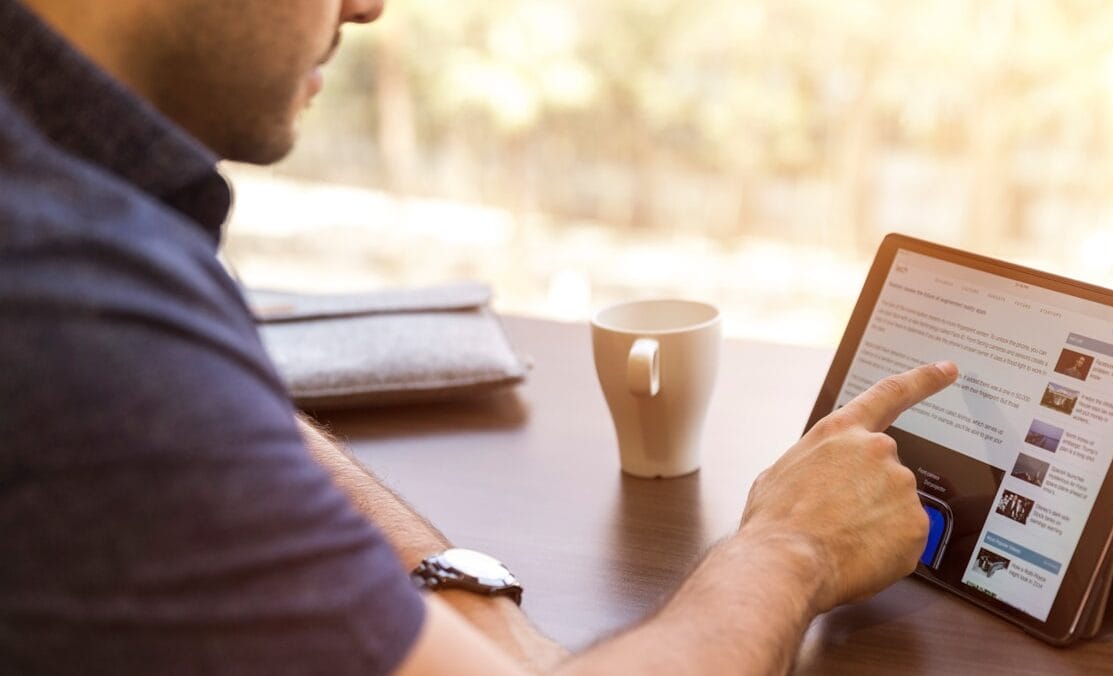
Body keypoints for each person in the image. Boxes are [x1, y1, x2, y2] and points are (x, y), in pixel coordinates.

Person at [0, 0, 959, 673]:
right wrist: (792, 548)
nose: (369, 7)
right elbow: (131, 385)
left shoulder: (72, 224)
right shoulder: (59, 293)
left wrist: (464, 602)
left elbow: (189, 404)